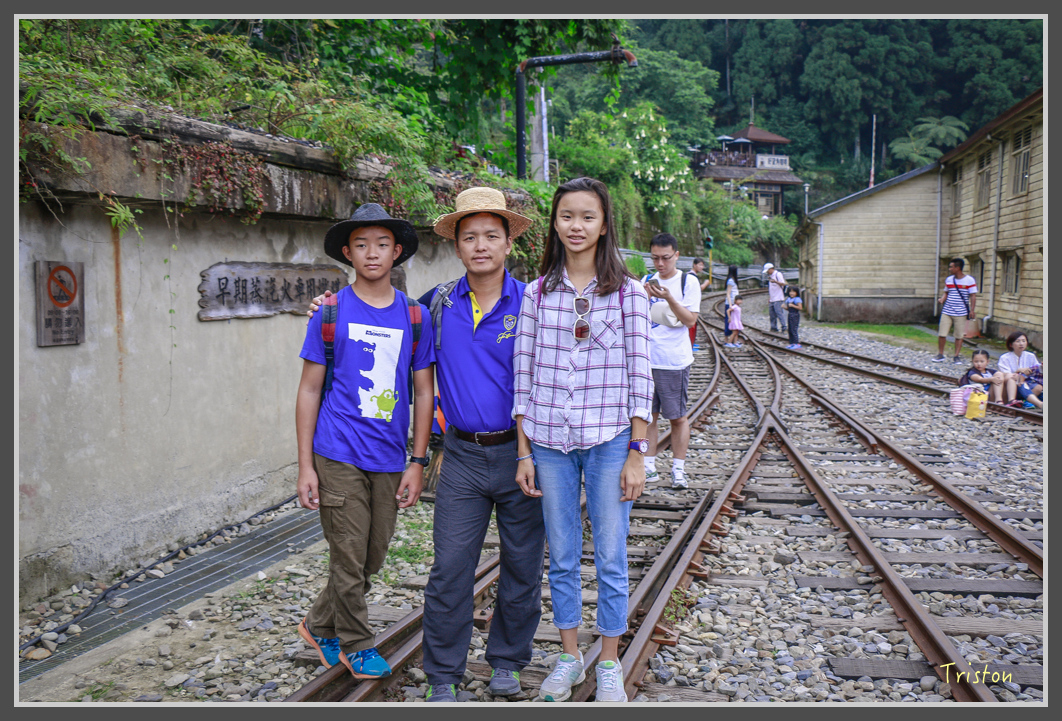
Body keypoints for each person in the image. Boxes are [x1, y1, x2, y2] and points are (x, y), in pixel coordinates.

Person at [309, 188, 547, 702]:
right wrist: (326, 304)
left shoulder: (533, 305)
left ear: (509, 243)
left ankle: (507, 660)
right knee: (451, 567)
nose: (480, 246)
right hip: (460, 455)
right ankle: (444, 674)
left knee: (524, 564)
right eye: (469, 237)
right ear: (456, 247)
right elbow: (376, 317)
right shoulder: (435, 305)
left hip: (523, 455)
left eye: (491, 236)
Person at [512, 176, 652, 703]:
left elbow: (641, 378)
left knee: (611, 554)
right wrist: (523, 450)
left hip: (611, 437)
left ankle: (609, 661)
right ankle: (569, 657)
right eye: (567, 216)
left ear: (603, 224)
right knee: (564, 553)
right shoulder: (537, 293)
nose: (576, 226)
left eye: (587, 217)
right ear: (555, 222)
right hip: (547, 438)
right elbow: (521, 380)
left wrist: (637, 452)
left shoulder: (629, 293)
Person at [295, 203, 435, 679]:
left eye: (381, 245)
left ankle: (318, 623)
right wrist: (305, 466)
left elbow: (422, 391)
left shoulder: (415, 316)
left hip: (390, 455)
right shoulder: (331, 311)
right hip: (337, 451)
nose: (371, 253)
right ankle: (356, 642)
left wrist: (418, 459)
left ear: (396, 252)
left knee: (372, 554)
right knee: (348, 552)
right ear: (347, 254)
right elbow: (310, 388)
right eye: (360, 245)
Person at [642, 233, 701, 490]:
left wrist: (669, 298)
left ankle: (678, 469)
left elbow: (690, 320)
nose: (660, 264)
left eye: (665, 258)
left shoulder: (688, 282)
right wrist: (643, 296)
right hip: (647, 359)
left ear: (676, 255)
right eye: (655, 258)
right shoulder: (646, 280)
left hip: (673, 360)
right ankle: (649, 466)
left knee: (677, 417)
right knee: (648, 417)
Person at [933, 258, 977, 364]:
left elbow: (973, 296)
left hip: (961, 312)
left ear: (958, 268)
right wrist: (942, 299)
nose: (949, 269)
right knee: (942, 333)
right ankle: (940, 354)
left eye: (951, 267)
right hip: (947, 311)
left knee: (959, 335)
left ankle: (956, 356)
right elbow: (946, 292)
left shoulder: (969, 280)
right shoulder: (949, 279)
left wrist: (972, 310)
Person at [997, 331, 1043, 409]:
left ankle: (1026, 402)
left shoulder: (1031, 356)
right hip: (1012, 386)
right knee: (1019, 382)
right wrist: (1018, 371)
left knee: (1039, 387)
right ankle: (1037, 403)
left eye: (1023, 341)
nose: (1021, 344)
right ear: (1011, 344)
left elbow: (1036, 370)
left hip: (1029, 384)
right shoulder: (1004, 358)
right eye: (1018, 341)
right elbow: (1006, 375)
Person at [688, 257, 710, 350]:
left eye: (702, 265)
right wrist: (705, 284)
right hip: (690, 306)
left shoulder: (691, 275)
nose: (702, 267)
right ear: (694, 265)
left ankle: (691, 343)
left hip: (691, 305)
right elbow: (697, 289)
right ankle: (690, 345)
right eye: (700, 265)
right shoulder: (691, 276)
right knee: (691, 326)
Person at [763, 262, 787, 333]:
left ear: (771, 269)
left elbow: (783, 283)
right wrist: (770, 297)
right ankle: (773, 327)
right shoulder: (770, 276)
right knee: (772, 314)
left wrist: (775, 281)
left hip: (778, 298)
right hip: (772, 299)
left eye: (767, 271)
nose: (767, 272)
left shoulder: (778, 274)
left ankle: (784, 326)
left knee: (779, 313)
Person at [723, 265, 739, 339]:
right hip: (730, 303)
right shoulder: (730, 281)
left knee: (734, 321)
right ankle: (727, 338)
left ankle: (731, 338)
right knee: (729, 320)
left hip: (734, 303)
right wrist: (730, 305)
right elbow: (728, 293)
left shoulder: (733, 280)